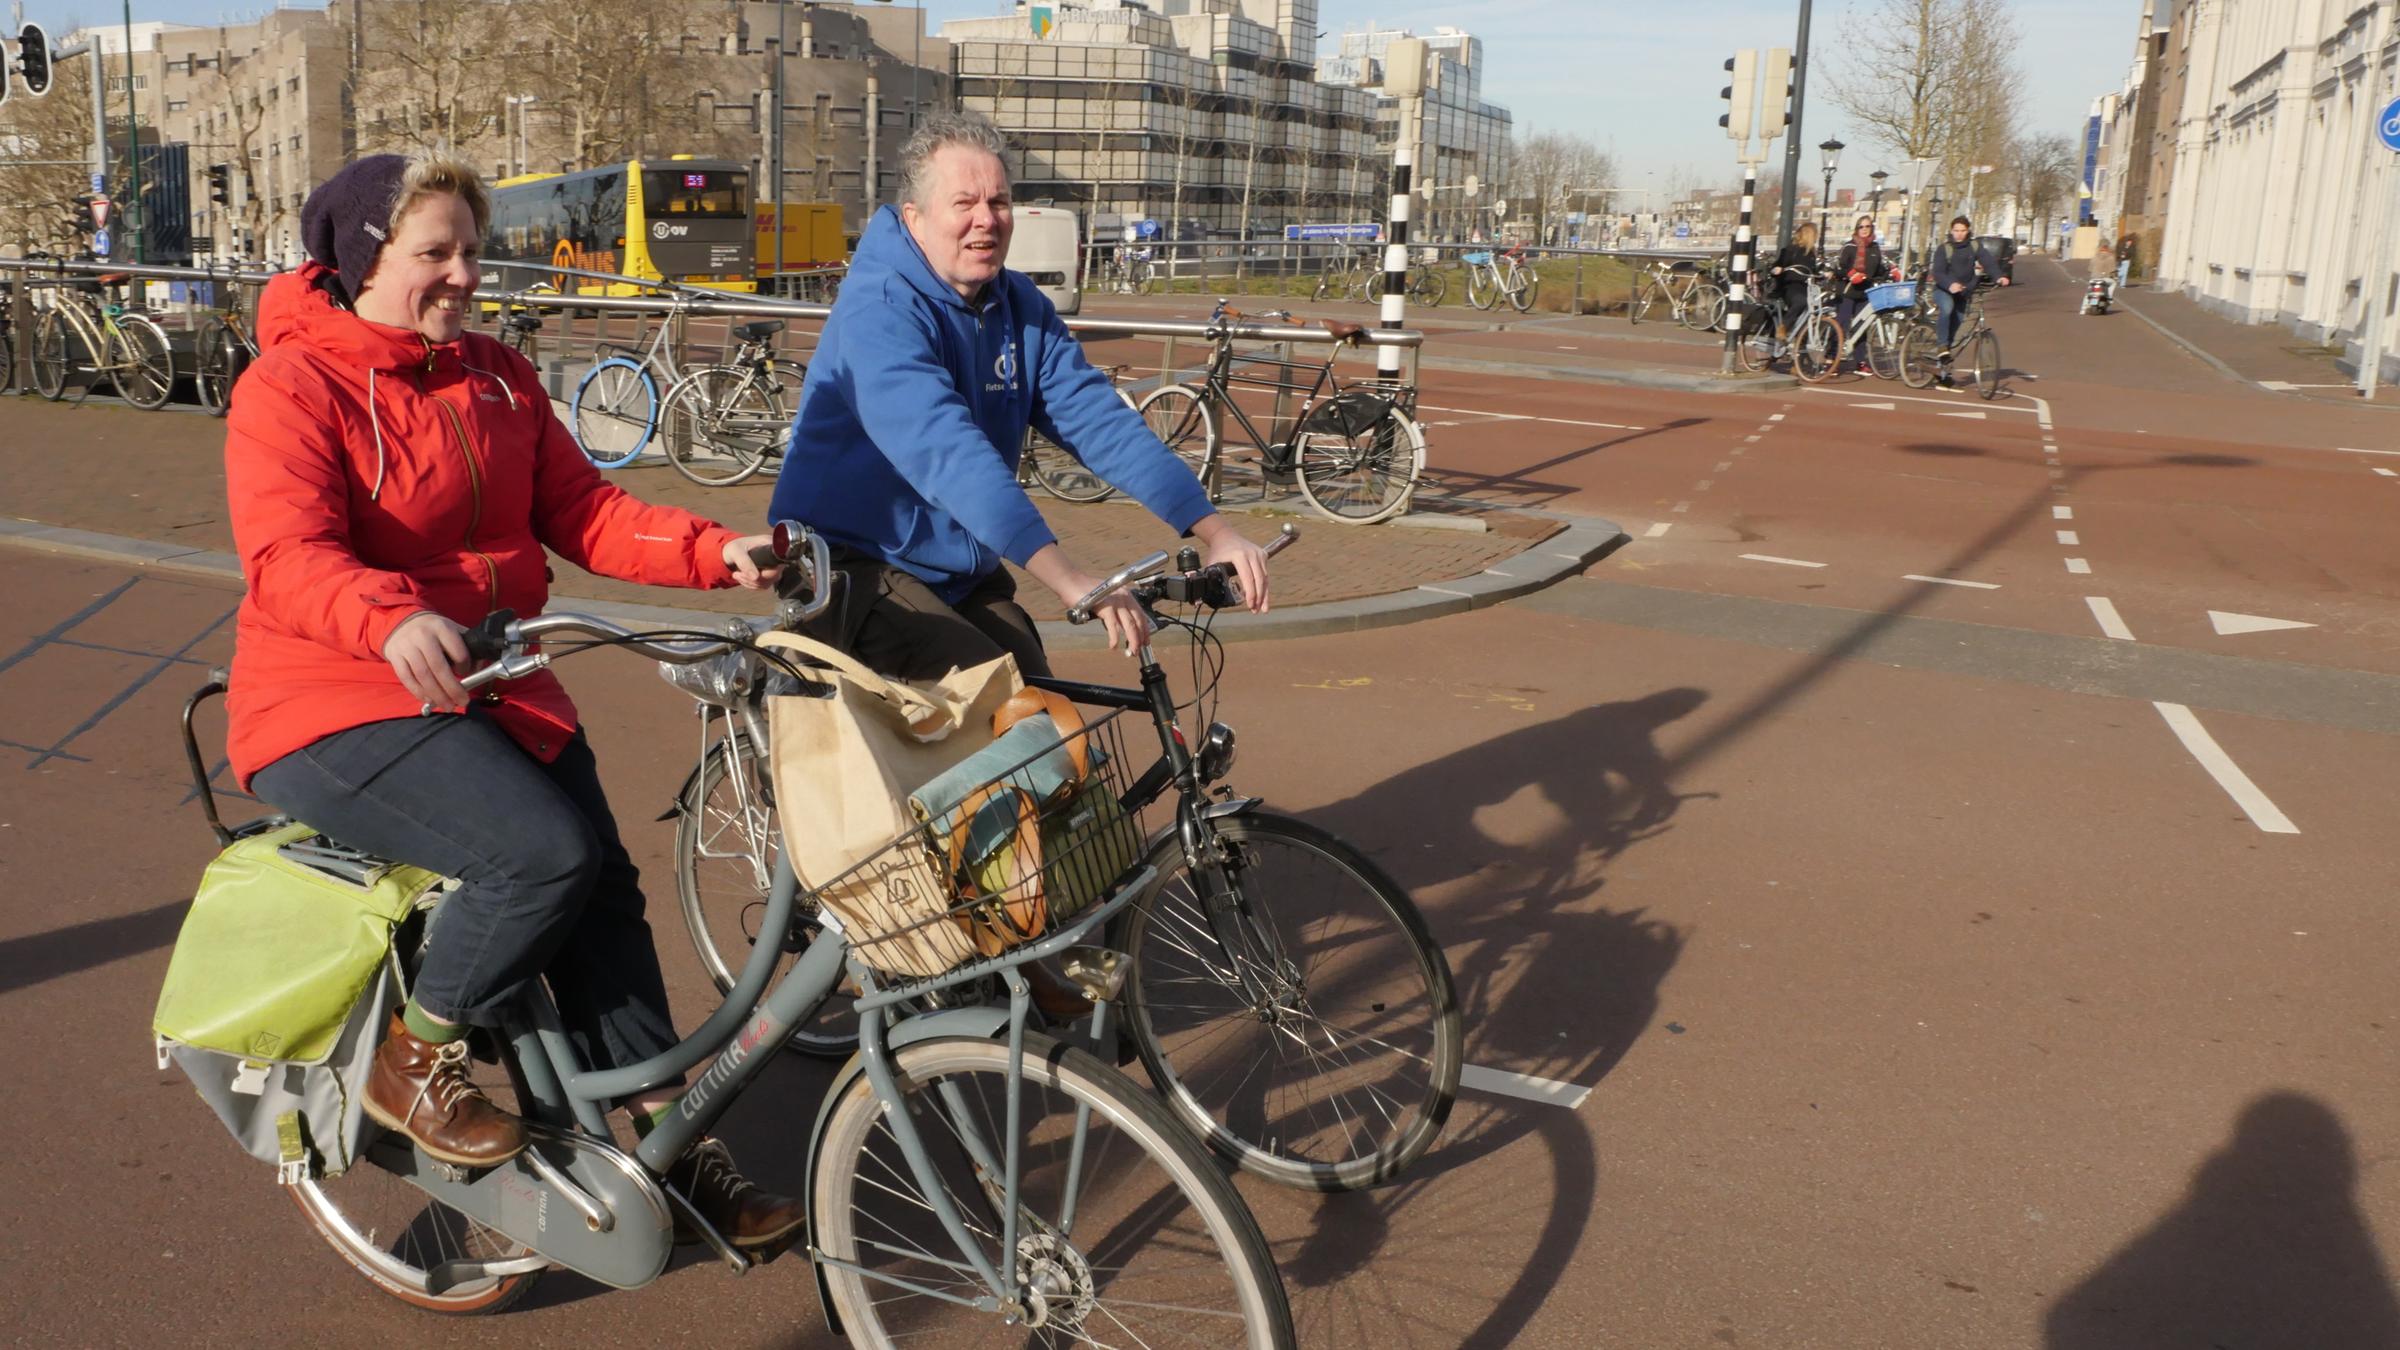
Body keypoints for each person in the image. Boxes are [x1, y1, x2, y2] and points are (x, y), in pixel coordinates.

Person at [223, 152, 804, 1252]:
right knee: (537, 857)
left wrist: (716, 550)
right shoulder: (292, 386)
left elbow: (583, 511)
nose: (459, 275)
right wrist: (389, 618)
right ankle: (418, 1054)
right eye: (431, 253)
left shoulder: (494, 375)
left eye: (471, 252)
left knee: (604, 895)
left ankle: (661, 1145)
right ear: (362, 258)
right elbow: (288, 557)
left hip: (494, 680)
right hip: (333, 696)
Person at [766, 111, 1269, 681]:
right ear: (916, 219)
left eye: (999, 202)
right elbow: (949, 455)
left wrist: (1215, 531)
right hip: (851, 561)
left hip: (954, 566)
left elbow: (1098, 422)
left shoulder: (1018, 304)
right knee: (996, 698)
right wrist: (1070, 579)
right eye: (965, 204)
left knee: (1040, 704)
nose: (987, 220)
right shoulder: (878, 309)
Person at [1928, 215, 2011, 387]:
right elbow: (1938, 272)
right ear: (1951, 231)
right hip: (1944, 290)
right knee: (1947, 308)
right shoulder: (1944, 249)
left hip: (1964, 293)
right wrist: (1950, 285)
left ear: (1968, 231)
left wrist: (1999, 277)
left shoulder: (1974, 246)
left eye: (1963, 231)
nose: (1959, 234)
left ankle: (1943, 373)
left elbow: (1988, 262)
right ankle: (1942, 347)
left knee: (1955, 328)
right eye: (1956, 230)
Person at [1831, 215, 1885, 374]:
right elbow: (1839, 268)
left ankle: (1860, 361)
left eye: (1867, 226)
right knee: (1842, 322)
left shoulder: (1875, 247)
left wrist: (1890, 272)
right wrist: (1851, 274)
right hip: (1848, 290)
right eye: (1861, 227)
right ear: (1857, 229)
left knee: (1862, 326)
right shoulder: (1850, 246)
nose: (1864, 229)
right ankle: (1831, 357)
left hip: (1865, 291)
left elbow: (1879, 268)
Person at [1763, 221, 1823, 354]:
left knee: (1810, 315)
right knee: (1800, 301)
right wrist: (1777, 269)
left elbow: (1813, 271)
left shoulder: (1811, 253)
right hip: (1790, 286)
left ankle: (1800, 358)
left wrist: (1825, 274)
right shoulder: (1790, 250)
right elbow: (1777, 265)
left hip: (1806, 287)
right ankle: (1783, 327)